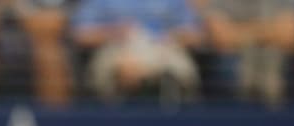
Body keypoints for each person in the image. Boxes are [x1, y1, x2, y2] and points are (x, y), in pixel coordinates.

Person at [71, 0, 203, 101]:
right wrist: (113, 31)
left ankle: (175, 106)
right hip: (117, 46)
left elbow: (195, 36)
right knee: (118, 67)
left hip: (164, 47)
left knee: (179, 69)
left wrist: (171, 36)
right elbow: (81, 35)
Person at [193, 0, 294, 105]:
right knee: (228, 61)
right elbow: (221, 39)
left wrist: (240, 33)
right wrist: (271, 31)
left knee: (275, 56)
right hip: (235, 67)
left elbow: (292, 37)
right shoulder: (221, 2)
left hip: (274, 68)